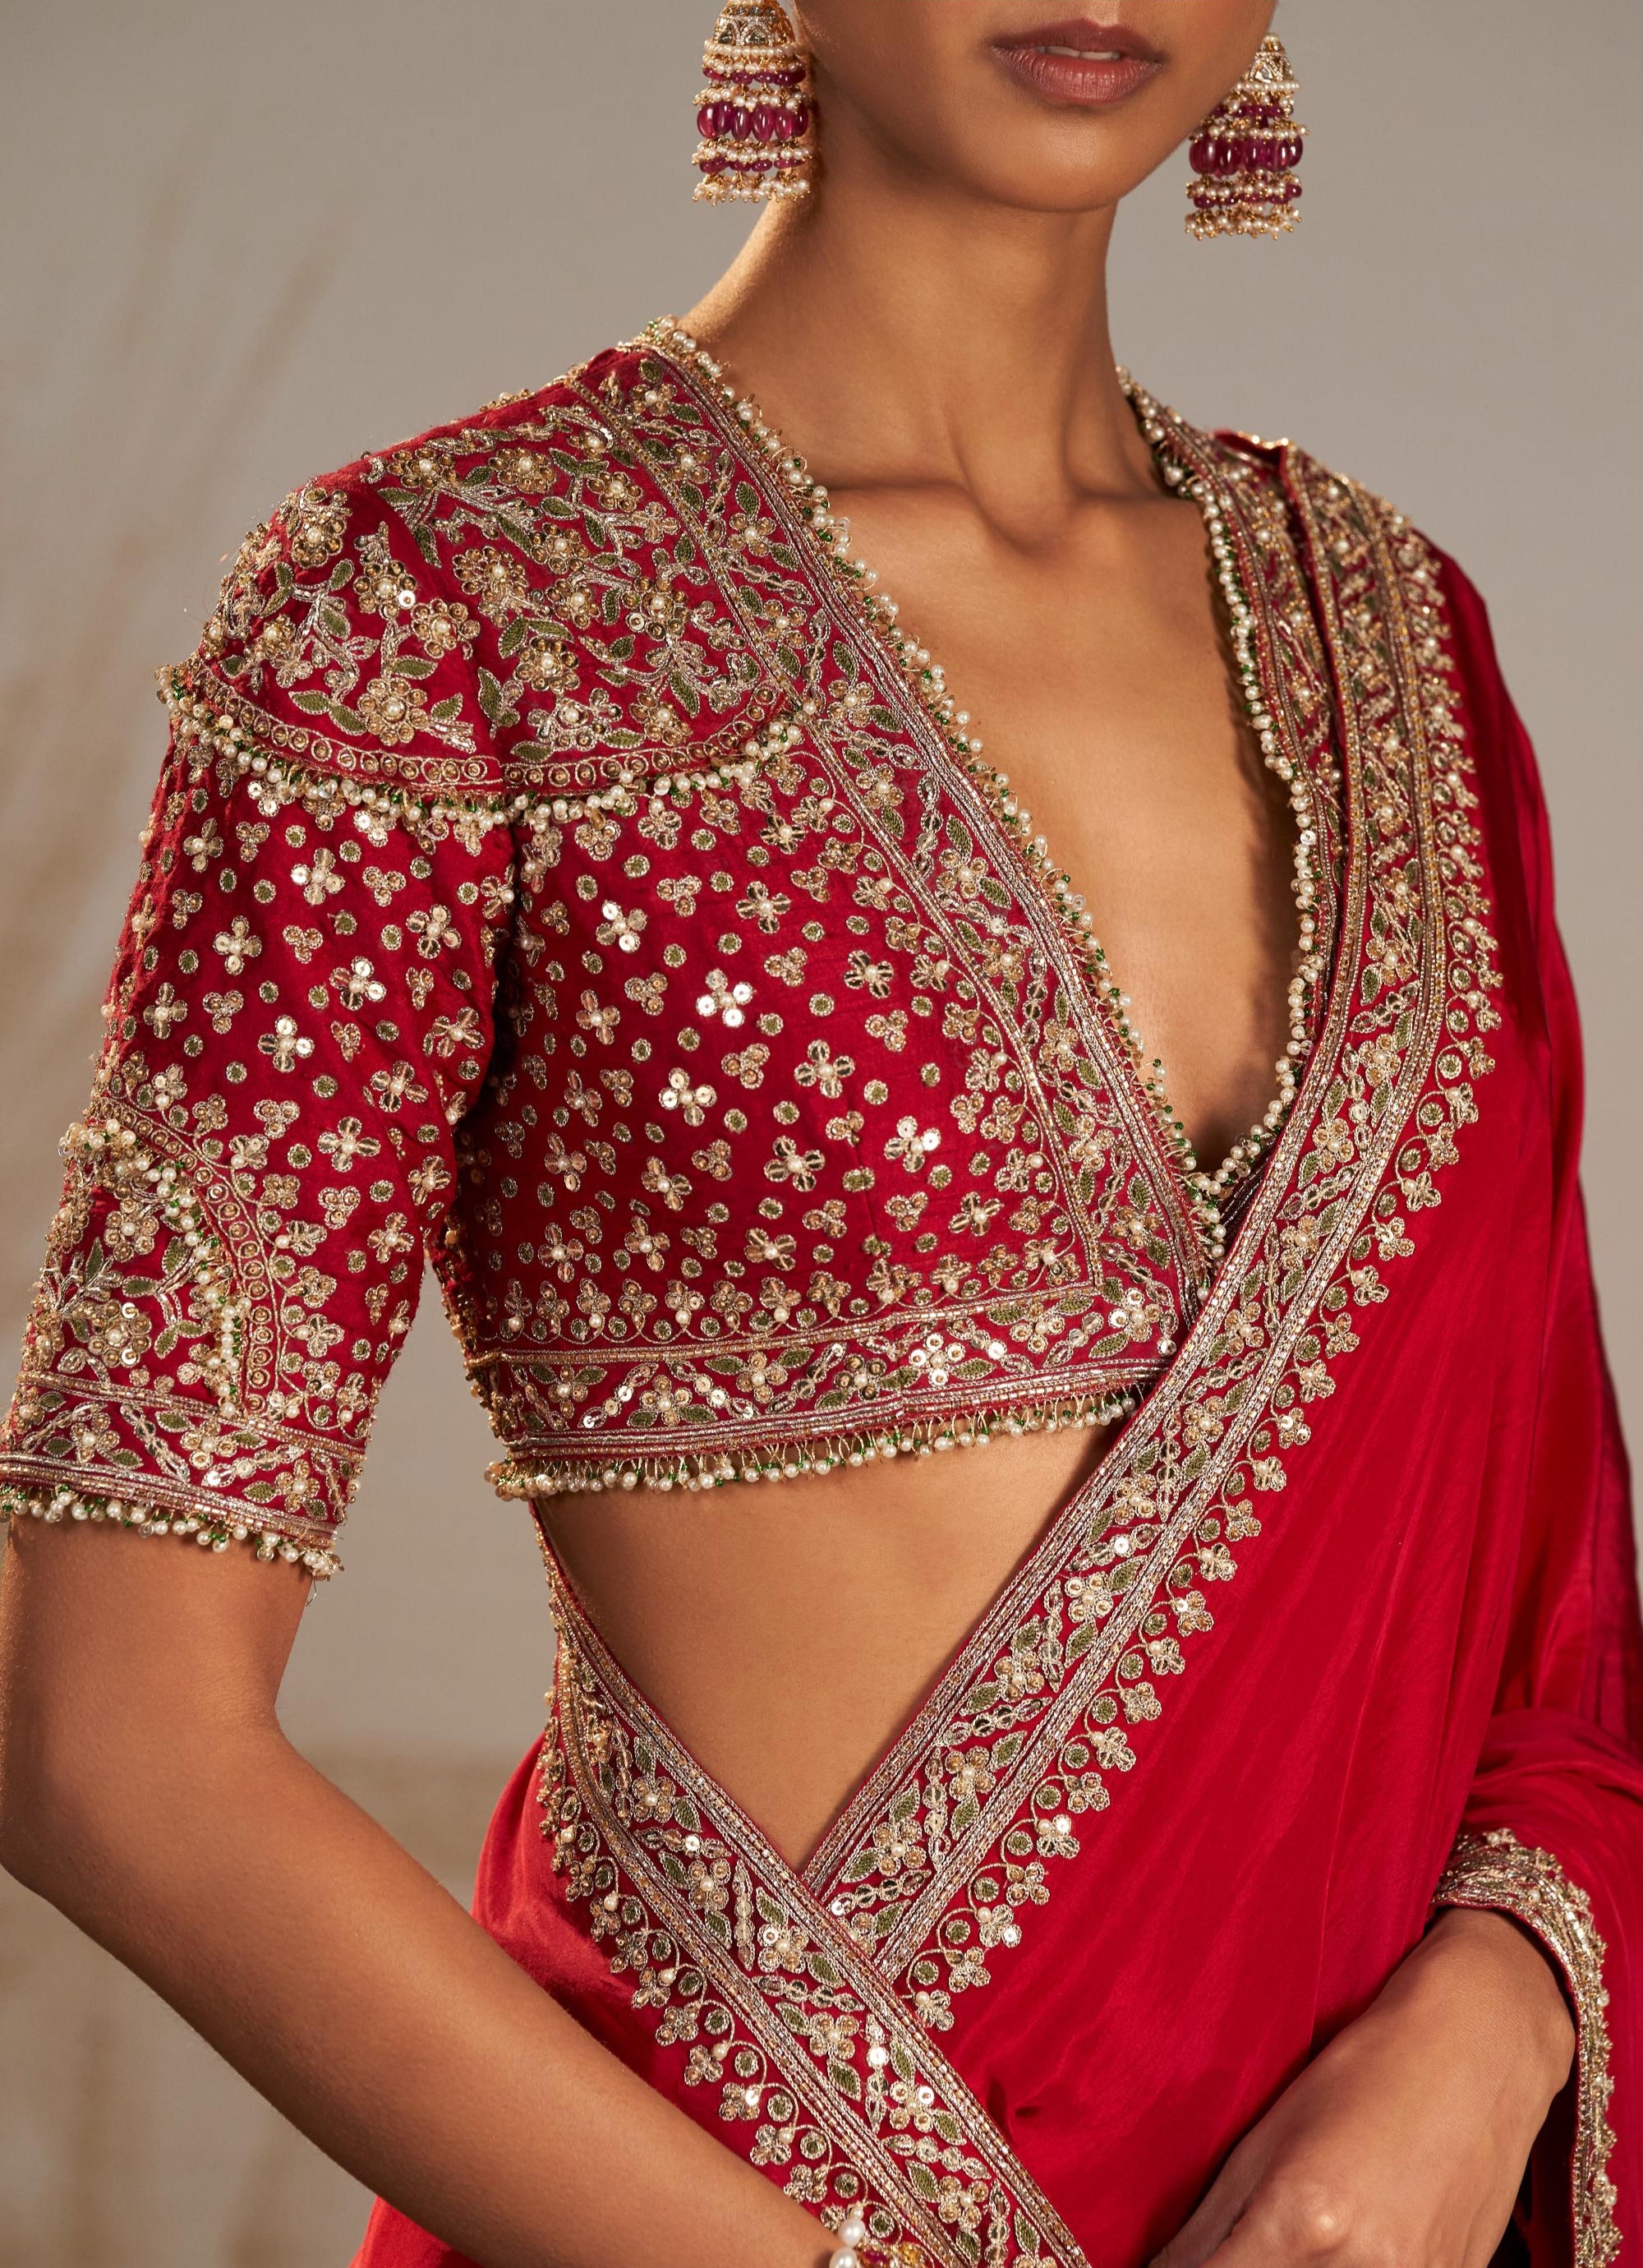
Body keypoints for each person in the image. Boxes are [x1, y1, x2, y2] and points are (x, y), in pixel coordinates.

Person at [1, 6, 1638, 2266]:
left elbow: (1555, 1629)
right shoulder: (436, 617)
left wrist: (1493, 2031)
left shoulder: (1408, 645)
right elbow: (108, 1740)